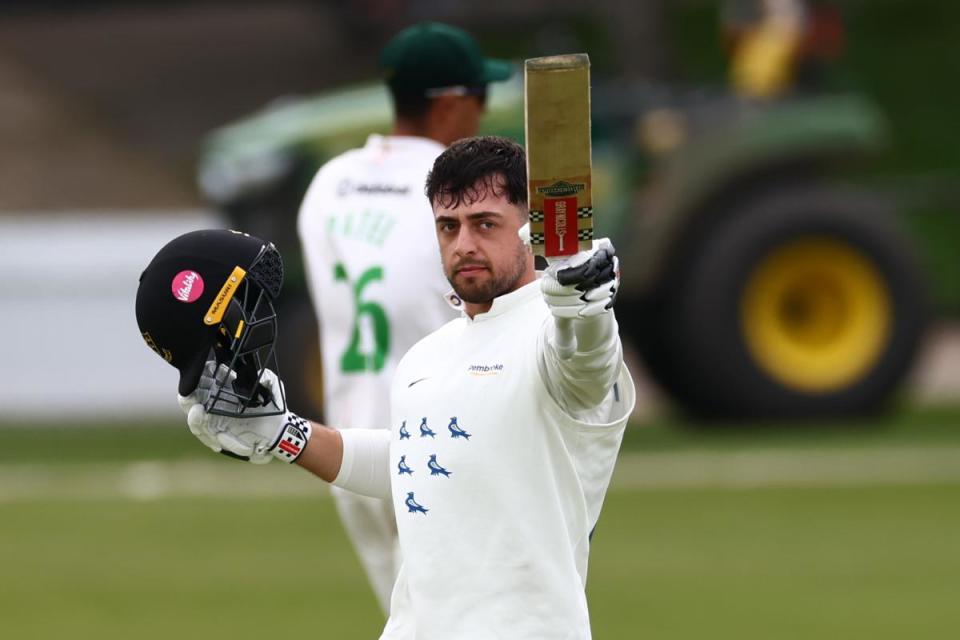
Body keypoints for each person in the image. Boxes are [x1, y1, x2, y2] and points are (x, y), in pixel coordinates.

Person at [173, 135, 635, 638]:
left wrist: (587, 307)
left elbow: (588, 367)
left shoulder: (557, 335)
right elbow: (413, 464)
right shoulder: (428, 355)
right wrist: (283, 433)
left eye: (485, 224)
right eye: (448, 226)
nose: (464, 244)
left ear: (529, 229)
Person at [296, 22, 514, 613]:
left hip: (347, 446)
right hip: (439, 446)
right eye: (480, 99)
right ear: (450, 105)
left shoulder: (329, 184)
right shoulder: (460, 202)